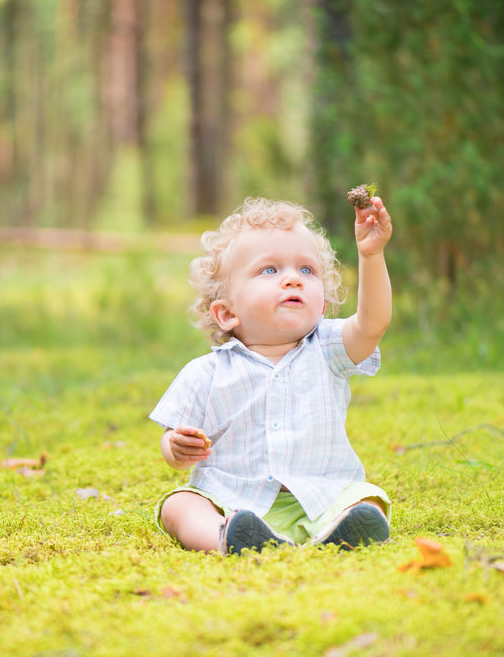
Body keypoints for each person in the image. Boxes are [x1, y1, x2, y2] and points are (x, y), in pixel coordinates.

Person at [150, 195, 394, 554]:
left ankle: (344, 531)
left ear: (322, 306)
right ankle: (226, 537)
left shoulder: (328, 349)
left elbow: (373, 323)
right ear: (226, 313)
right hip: (233, 501)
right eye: (270, 270)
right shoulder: (206, 372)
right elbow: (171, 440)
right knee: (178, 506)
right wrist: (176, 447)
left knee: (366, 499)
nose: (293, 280)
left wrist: (371, 256)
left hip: (321, 495)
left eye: (307, 271)